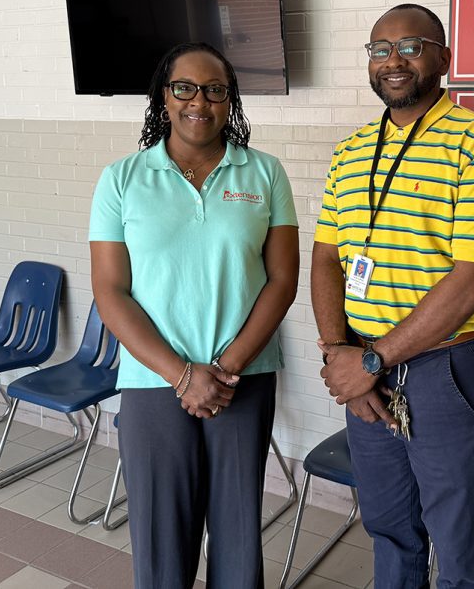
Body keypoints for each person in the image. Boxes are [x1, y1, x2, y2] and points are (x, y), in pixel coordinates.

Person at [312, 4, 474, 589]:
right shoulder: (351, 151)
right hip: (361, 365)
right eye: (380, 49)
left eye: (411, 46)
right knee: (389, 526)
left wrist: (373, 360)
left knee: (458, 541)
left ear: (444, 59)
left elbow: (473, 277)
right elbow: (328, 256)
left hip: (446, 369)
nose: (394, 60)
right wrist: (339, 355)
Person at [89, 42, 299, 589]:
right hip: (153, 378)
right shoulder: (121, 179)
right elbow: (111, 292)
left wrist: (223, 369)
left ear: (231, 102)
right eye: (184, 87)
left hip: (243, 378)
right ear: (164, 96)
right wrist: (182, 374)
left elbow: (283, 281)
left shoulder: (265, 174)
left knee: (236, 529)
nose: (198, 101)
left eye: (215, 90)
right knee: (161, 536)